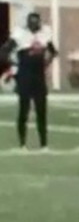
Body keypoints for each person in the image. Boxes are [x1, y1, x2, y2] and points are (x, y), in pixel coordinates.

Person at [1, 11, 57, 150]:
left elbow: (53, 51)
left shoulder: (45, 33)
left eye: (36, 22)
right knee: (23, 110)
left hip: (39, 76)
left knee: (41, 111)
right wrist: (14, 65)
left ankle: (44, 144)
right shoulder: (20, 34)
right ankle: (22, 144)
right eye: (31, 22)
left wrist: (46, 63)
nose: (34, 25)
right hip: (25, 75)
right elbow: (4, 51)